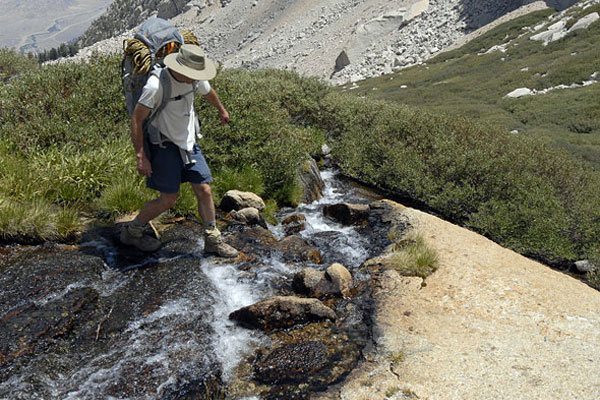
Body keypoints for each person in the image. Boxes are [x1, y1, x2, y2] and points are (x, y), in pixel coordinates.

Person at [120, 44, 238, 258]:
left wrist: (221, 109)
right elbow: (137, 119)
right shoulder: (156, 86)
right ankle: (132, 231)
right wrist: (141, 156)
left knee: (205, 190)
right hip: (164, 146)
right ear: (180, 69)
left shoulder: (194, 78)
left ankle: (212, 240)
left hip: (189, 143)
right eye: (192, 75)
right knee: (168, 200)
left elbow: (208, 91)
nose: (196, 79)